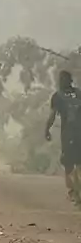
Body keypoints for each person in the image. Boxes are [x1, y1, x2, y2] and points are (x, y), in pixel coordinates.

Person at [45, 69, 81, 207]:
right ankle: (77, 192)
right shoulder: (79, 93)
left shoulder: (58, 96)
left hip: (68, 135)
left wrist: (46, 129)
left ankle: (73, 192)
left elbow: (52, 116)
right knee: (79, 163)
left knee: (68, 164)